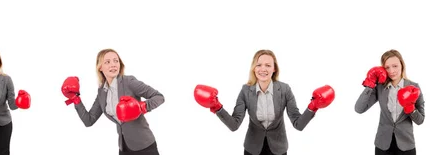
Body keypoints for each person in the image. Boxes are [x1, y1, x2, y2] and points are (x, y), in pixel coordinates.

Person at [193, 49, 336, 155]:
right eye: (259, 64)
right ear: (254, 68)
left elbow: (298, 124)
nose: (263, 69)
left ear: (274, 69)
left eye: (268, 65)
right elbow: (234, 125)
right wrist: (216, 107)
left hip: (278, 149)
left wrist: (313, 106)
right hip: (252, 149)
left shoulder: (285, 90)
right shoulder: (245, 91)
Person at [61, 48, 165, 155]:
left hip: (144, 146)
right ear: (100, 67)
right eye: (107, 62)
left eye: (116, 61)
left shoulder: (129, 82)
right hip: (124, 148)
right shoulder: (102, 91)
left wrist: (142, 107)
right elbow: (89, 121)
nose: (113, 64)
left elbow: (159, 97)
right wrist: (75, 99)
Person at [355, 49, 425, 155]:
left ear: (402, 65)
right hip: (382, 144)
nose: (391, 71)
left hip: (406, 145)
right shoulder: (380, 88)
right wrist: (370, 84)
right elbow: (359, 109)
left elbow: (420, 121)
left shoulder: (414, 87)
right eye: (387, 67)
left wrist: (410, 108)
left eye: (395, 66)